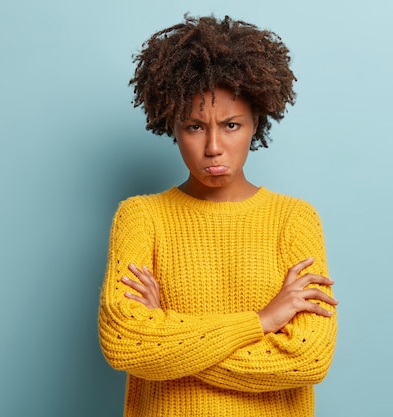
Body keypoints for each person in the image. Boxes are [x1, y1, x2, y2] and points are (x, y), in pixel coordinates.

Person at [98, 14, 338, 417]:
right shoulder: (141, 217)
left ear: (255, 123)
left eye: (230, 125)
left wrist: (170, 340)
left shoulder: (294, 219)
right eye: (194, 126)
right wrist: (261, 322)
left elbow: (307, 359)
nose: (213, 146)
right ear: (171, 125)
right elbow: (125, 341)